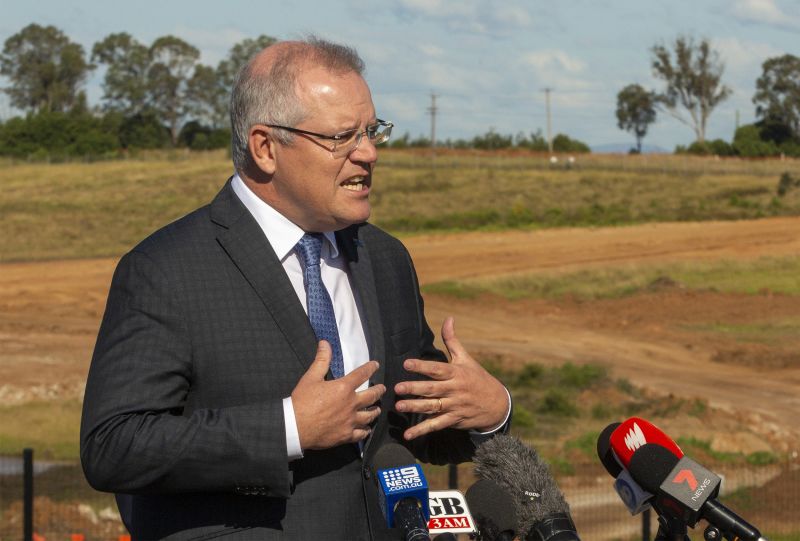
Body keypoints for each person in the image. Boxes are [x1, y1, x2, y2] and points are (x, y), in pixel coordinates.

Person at [80, 37, 510, 541]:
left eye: (372, 132)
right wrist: (288, 429)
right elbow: (114, 447)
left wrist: (487, 411)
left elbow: (412, 421)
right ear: (266, 147)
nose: (368, 153)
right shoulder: (165, 269)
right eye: (342, 136)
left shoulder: (384, 257)